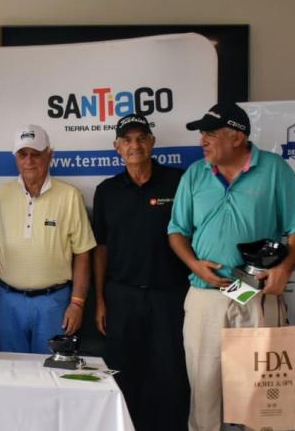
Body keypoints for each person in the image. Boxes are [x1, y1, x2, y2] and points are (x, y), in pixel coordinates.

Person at [167, 102, 295, 431]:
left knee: (263, 399)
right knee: (204, 396)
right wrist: (194, 264)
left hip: (256, 293)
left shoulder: (275, 169)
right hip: (207, 293)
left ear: (236, 137)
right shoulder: (195, 173)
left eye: (210, 134)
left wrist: (286, 267)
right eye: (201, 134)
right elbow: (176, 230)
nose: (202, 140)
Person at [92, 114, 189, 431]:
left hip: (170, 296)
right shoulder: (107, 191)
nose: (135, 145)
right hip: (122, 297)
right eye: (127, 140)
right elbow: (101, 248)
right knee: (123, 375)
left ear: (152, 142)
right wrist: (101, 301)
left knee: (171, 376)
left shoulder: (179, 182)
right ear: (117, 147)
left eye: (141, 138)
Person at [0, 124, 95, 354]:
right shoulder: (1, 195)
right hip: (7, 302)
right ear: (15, 157)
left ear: (50, 155)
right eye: (23, 154)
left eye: (36, 154)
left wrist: (77, 303)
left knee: (51, 375)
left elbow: (83, 253)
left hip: (53, 303)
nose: (29, 161)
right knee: (10, 372)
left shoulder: (70, 196)